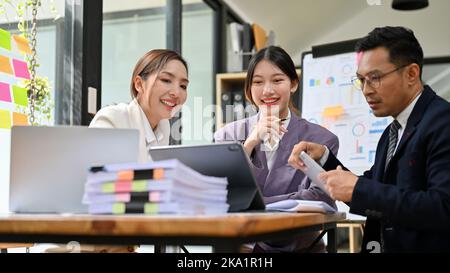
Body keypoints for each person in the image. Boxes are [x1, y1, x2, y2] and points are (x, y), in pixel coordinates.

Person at [288, 26, 450, 253]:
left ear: (411, 74)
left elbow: (442, 208)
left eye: (375, 78)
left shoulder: (443, 121)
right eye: (361, 80)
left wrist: (359, 189)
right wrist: (324, 158)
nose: (366, 90)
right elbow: (371, 190)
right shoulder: (392, 132)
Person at [214, 46, 339, 252]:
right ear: (248, 89)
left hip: (303, 247)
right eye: (258, 82)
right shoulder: (227, 136)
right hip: (243, 249)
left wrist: (255, 205)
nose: (268, 90)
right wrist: (250, 143)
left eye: (277, 80)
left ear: (294, 84)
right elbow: (219, 193)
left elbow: (321, 197)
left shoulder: (322, 139)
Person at [90, 49, 189, 162]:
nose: (176, 93)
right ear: (139, 84)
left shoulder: (163, 127)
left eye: (183, 86)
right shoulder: (112, 119)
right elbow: (96, 175)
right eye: (166, 80)